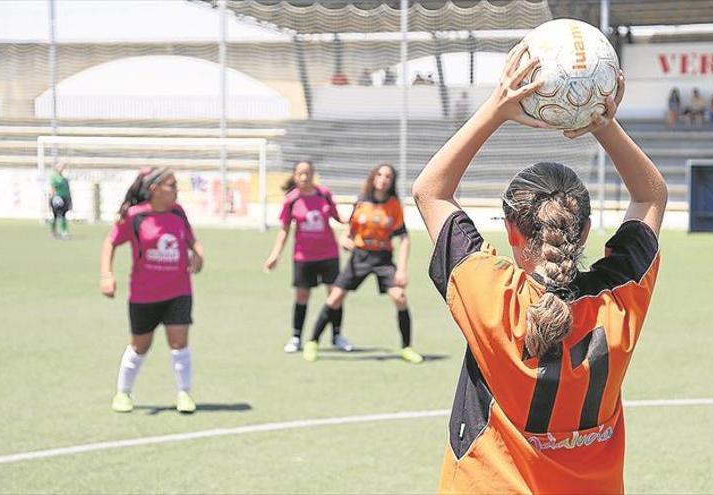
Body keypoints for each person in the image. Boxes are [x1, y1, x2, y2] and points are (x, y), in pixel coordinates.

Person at [413, 42, 666, 493]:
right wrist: (603, 125)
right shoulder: (619, 300)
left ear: (511, 230)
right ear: (586, 230)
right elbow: (650, 197)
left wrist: (496, 108)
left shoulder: (495, 297)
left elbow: (430, 191)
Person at [100, 168, 204, 414]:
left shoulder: (178, 213)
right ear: (155, 189)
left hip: (179, 291)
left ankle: (184, 393)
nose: (176, 190)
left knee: (179, 342)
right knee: (140, 346)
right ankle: (123, 393)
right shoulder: (135, 216)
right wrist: (107, 275)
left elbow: (192, 240)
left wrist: (199, 255)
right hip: (144, 294)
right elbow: (110, 242)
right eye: (171, 185)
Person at [304, 164, 421, 364]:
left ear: (392, 181)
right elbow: (348, 232)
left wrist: (401, 269)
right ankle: (312, 342)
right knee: (334, 298)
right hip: (360, 256)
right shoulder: (361, 202)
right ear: (373, 177)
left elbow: (404, 239)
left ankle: (407, 348)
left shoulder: (394, 205)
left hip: (383, 259)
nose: (383, 179)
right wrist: (344, 241)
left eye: (388, 176)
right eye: (380, 175)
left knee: (400, 297)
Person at [264, 161, 351, 353]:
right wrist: (275, 255)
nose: (304, 177)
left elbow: (339, 218)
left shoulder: (324, 194)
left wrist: (354, 219)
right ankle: (296, 337)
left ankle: (337, 335)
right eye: (300, 174)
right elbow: (284, 230)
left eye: (308, 173)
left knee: (334, 295)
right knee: (302, 295)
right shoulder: (291, 200)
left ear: (313, 175)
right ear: (295, 176)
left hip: (329, 254)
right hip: (303, 257)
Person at [49, 161, 72, 239]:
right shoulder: (54, 177)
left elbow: (68, 190)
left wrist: (70, 200)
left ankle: (64, 232)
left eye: (62, 167)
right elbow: (52, 188)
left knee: (63, 215)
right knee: (55, 215)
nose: (61, 168)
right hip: (57, 198)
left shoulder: (64, 178)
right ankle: (53, 232)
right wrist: (53, 198)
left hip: (65, 198)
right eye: (60, 167)